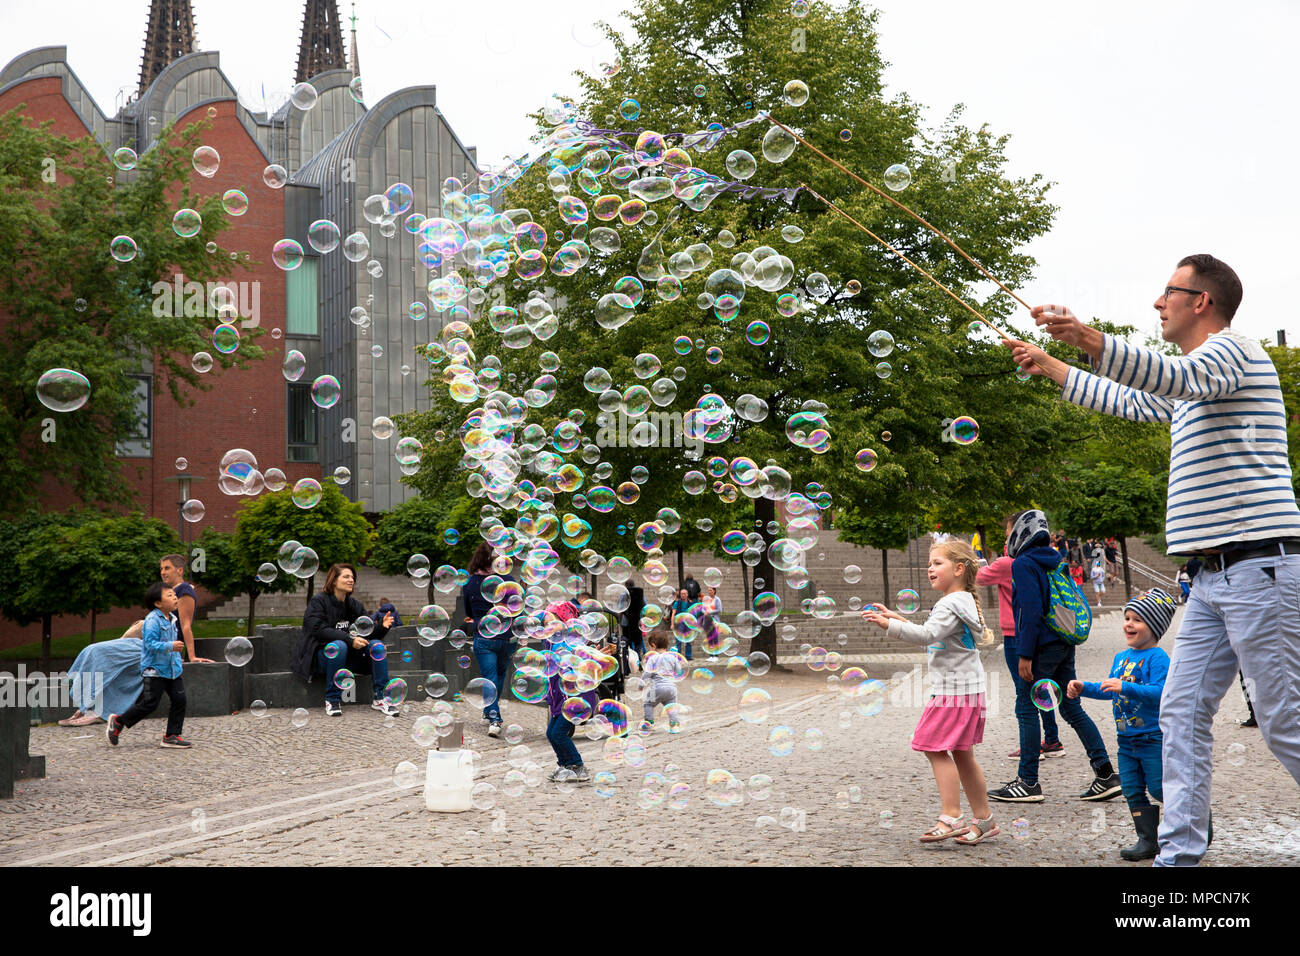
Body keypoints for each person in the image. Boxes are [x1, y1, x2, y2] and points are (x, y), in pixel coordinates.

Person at [1010, 254, 1300, 866]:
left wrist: (1088, 336)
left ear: (1202, 301)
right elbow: (1134, 401)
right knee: (1180, 711)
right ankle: (1179, 854)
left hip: (1258, 567)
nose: (1156, 303)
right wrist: (1055, 364)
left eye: (1168, 292)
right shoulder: (1197, 388)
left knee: (1281, 720)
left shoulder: (1234, 353)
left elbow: (1166, 378)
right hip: (1210, 577)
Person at [864, 538, 998, 844]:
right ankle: (985, 819)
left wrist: (889, 625)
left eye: (937, 563)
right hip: (968, 691)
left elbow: (927, 635)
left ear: (959, 568)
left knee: (931, 745)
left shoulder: (952, 603)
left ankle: (951, 816)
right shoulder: (960, 601)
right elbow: (937, 632)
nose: (930, 569)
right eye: (929, 564)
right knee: (963, 756)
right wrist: (899, 618)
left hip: (954, 693)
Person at [987, 509, 1122, 805]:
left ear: (1022, 533)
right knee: (1071, 707)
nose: (1008, 539)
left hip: (1041, 645)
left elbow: (1031, 611)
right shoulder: (1053, 560)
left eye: (1010, 533)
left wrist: (1025, 654)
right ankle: (1106, 774)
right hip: (1062, 641)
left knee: (1026, 705)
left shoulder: (1023, 563)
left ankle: (1028, 782)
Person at [1068, 588, 1175, 861]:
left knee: (1159, 788)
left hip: (1152, 738)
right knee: (1130, 788)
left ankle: (1193, 820)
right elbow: (1109, 688)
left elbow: (1162, 693)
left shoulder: (1158, 658)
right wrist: (1084, 687)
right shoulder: (1121, 658)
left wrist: (1126, 686)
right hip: (1126, 741)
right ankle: (1147, 839)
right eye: (1127, 618)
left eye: (1137, 620)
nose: (1129, 624)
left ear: (1154, 626)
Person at [976, 518, 1064, 760]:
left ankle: (1032, 748)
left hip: (1016, 635)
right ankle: (1052, 739)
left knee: (1024, 694)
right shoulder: (1038, 559)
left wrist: (969, 563)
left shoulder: (1008, 563)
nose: (1007, 540)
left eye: (1008, 535)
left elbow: (979, 577)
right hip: (1038, 633)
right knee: (1040, 689)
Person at [292, 563, 397, 717]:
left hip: (351, 658)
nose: (351, 580)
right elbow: (318, 630)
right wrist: (349, 639)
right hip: (323, 658)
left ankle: (381, 698)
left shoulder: (354, 605)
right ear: (334, 580)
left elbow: (367, 631)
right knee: (339, 646)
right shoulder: (318, 602)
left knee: (377, 646)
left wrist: (382, 627)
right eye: (346, 576)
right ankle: (332, 699)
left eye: (352, 577)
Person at [107, 582, 190, 748]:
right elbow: (150, 644)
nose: (175, 597)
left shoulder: (172, 618)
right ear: (158, 603)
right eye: (169, 595)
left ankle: (171, 735)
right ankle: (119, 721)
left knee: (180, 700)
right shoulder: (152, 620)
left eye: (174, 594)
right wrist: (170, 646)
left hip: (172, 669)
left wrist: (175, 656)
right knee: (149, 703)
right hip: (155, 670)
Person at [462, 542, 515, 738]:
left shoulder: (470, 584)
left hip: (483, 636)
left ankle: (493, 717)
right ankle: (492, 713)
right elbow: (518, 606)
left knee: (490, 678)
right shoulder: (508, 580)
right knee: (499, 677)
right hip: (507, 636)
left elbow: (468, 611)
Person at [160, 554, 213, 663]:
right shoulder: (167, 591)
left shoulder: (184, 590)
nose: (163, 572)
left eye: (167, 568)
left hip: (167, 646)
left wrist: (192, 657)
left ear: (180, 570)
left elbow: (185, 625)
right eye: (161, 569)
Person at [640, 629, 683, 731]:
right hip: (671, 688)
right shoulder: (672, 657)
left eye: (650, 646)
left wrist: (641, 685)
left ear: (653, 646)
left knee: (648, 704)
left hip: (657, 687)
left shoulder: (653, 658)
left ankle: (649, 722)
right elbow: (679, 672)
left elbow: (647, 674)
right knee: (671, 706)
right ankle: (674, 724)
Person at [670, 588, 694, 660]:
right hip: (679, 624)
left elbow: (693, 615)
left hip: (688, 624)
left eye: (684, 594)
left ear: (687, 595)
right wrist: (672, 624)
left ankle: (688, 656)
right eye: (681, 594)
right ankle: (678, 656)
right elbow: (673, 614)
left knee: (689, 640)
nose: (683, 595)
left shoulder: (690, 603)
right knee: (678, 641)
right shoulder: (677, 603)